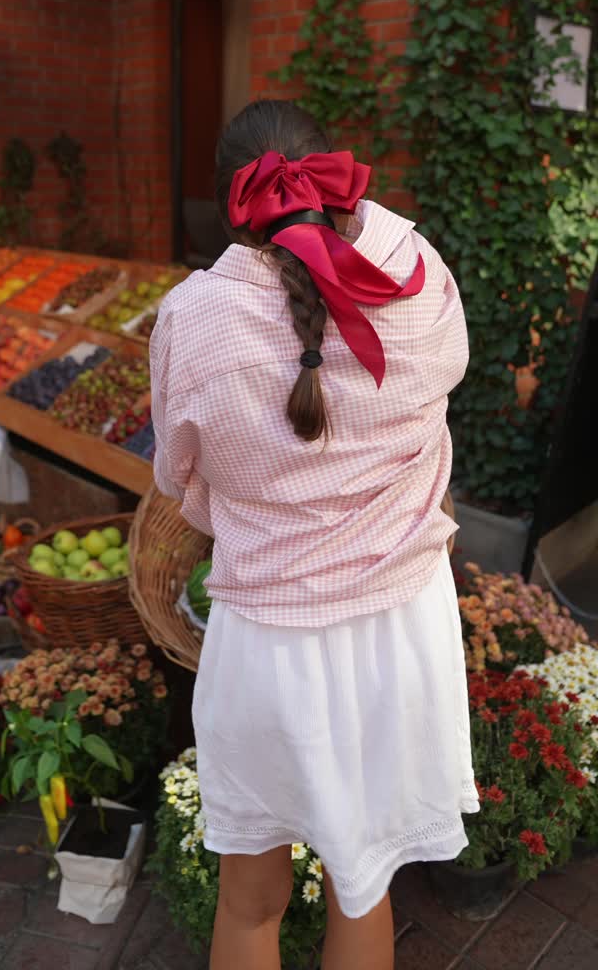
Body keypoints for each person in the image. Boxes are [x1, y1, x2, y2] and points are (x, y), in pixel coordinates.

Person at [150, 100, 478, 970]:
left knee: (249, 905)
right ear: (334, 178)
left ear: (230, 201)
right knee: (361, 887)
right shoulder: (418, 274)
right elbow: (447, 381)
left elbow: (177, 477)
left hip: (268, 640)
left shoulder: (191, 317)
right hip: (400, 630)